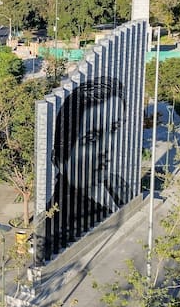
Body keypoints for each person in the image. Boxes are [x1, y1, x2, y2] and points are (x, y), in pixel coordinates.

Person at [45, 76, 131, 255]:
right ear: (59, 159)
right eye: (91, 138)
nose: (107, 148)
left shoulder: (112, 196)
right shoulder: (57, 225)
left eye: (114, 129)